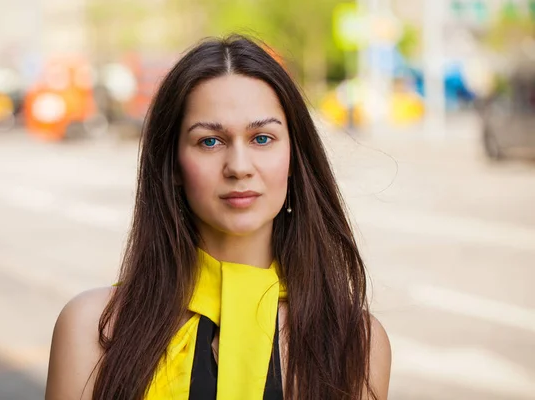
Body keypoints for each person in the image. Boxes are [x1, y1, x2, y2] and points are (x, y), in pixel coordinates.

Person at [45, 34, 391, 400]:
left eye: (262, 138)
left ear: (294, 158)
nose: (239, 167)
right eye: (210, 141)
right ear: (172, 165)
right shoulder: (93, 329)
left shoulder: (354, 343)